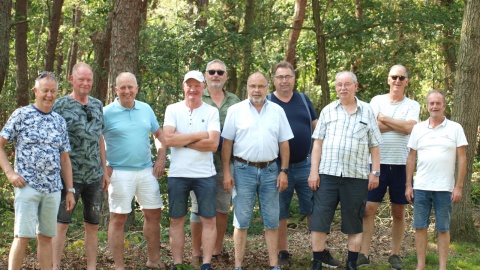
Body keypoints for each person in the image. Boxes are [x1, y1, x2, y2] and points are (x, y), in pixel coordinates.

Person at [267, 61, 340, 268]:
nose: (284, 81)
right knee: (280, 211)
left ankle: (319, 251)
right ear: (274, 80)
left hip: (306, 164)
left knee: (314, 209)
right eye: (280, 77)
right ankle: (283, 252)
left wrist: (327, 152)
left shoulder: (303, 99)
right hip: (278, 168)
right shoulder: (268, 101)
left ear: (294, 78)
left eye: (288, 76)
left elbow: (317, 127)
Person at [0, 71, 75, 270]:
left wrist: (70, 190)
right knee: (22, 236)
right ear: (36, 91)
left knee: (46, 238)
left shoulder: (59, 121)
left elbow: (65, 158)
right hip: (27, 186)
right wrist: (10, 173)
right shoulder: (21, 115)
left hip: (53, 188)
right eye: (45, 91)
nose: (49, 95)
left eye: (53, 91)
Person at [308, 71, 382, 270]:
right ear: (335, 87)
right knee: (319, 220)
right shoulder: (328, 111)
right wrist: (314, 172)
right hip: (327, 176)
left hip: (356, 177)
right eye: (339, 84)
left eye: (347, 84)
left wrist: (375, 172)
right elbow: (317, 144)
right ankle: (317, 262)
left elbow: (375, 146)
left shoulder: (367, 111)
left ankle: (351, 264)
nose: (343, 88)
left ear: (355, 86)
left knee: (354, 222)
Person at [222, 72, 293, 270]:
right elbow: (227, 143)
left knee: (271, 219)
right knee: (241, 219)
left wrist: (284, 171)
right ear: (247, 88)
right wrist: (227, 172)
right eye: (253, 86)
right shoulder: (235, 110)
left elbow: (284, 142)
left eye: (261, 86)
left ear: (267, 88)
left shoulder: (277, 111)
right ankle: (238, 266)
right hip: (242, 170)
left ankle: (274, 265)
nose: (256, 90)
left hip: (271, 171)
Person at [358, 65, 420, 269]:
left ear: (407, 82)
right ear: (388, 79)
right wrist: (399, 125)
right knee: (369, 209)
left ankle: (394, 254)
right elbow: (372, 127)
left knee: (399, 212)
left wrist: (384, 119)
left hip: (402, 165)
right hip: (376, 163)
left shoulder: (413, 104)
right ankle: (364, 254)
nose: (398, 81)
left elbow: (410, 128)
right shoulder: (377, 101)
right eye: (394, 77)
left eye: (402, 78)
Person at [103, 72, 166, 270]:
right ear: (116, 90)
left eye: (131, 87)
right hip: (119, 173)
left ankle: (153, 260)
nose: (127, 91)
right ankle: (119, 266)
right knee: (118, 218)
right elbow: (96, 139)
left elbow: (158, 134)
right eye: (123, 87)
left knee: (154, 214)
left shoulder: (145, 109)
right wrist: (103, 165)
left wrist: (161, 158)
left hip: (146, 170)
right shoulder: (106, 112)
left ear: (137, 88)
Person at [51, 62, 109, 270]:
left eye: (89, 80)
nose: (85, 83)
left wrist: (104, 170)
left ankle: (91, 267)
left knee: (92, 225)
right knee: (61, 224)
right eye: (81, 79)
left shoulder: (97, 104)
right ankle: (55, 266)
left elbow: (99, 138)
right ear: (72, 79)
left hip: (94, 176)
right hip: (68, 176)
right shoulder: (59, 106)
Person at [163, 70, 220, 270]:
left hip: (205, 174)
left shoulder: (211, 111)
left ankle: (206, 264)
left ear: (203, 87)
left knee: (208, 219)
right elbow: (168, 139)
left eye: (197, 85)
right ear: (183, 86)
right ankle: (177, 264)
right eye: (189, 85)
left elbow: (213, 144)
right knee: (177, 219)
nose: (193, 89)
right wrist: (198, 135)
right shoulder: (172, 109)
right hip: (178, 174)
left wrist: (183, 139)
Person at [405, 90, 467, 270]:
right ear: (427, 106)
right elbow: (411, 157)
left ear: (444, 106)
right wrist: (409, 185)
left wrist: (459, 187)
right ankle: (421, 266)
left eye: (438, 103)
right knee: (419, 227)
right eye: (431, 103)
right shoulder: (418, 128)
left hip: (445, 188)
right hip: (421, 186)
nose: (434, 106)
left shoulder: (455, 128)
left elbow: (462, 158)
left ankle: (442, 267)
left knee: (443, 229)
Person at [189, 60, 241, 266]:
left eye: (220, 72)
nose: (216, 75)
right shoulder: (197, 98)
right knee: (197, 209)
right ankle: (195, 253)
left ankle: (217, 250)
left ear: (226, 76)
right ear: (205, 75)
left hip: (226, 165)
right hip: (198, 164)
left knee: (221, 208)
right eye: (212, 72)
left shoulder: (235, 101)